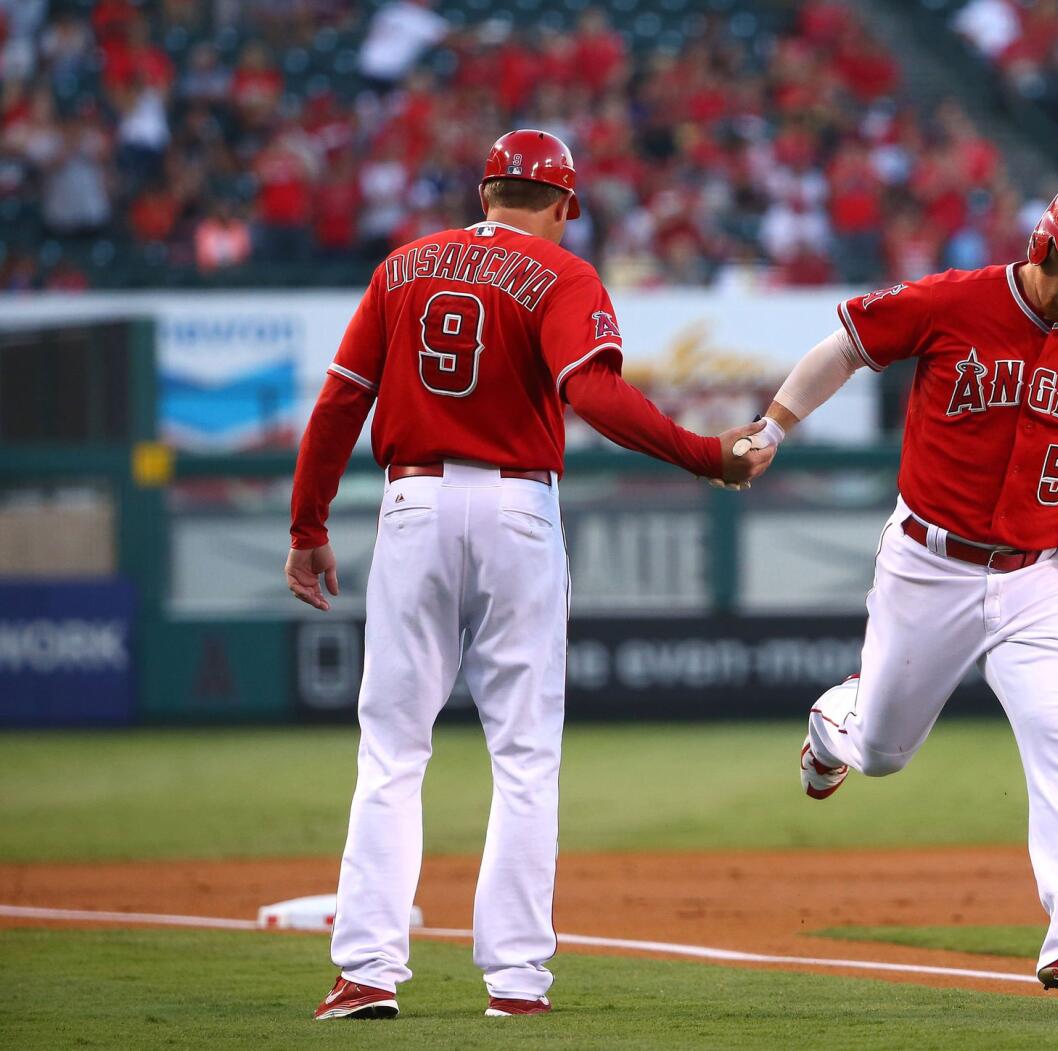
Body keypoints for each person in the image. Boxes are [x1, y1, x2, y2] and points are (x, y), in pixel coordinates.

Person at [286, 129, 774, 1021]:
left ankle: (365, 973)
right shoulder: (564, 274)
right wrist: (704, 454)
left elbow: (339, 401)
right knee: (523, 754)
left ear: (485, 192)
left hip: (414, 503)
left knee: (393, 751)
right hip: (516, 507)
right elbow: (592, 395)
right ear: (563, 205)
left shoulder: (402, 265)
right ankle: (514, 982)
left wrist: (307, 523)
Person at [737, 177, 1058, 991]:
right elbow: (845, 346)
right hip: (930, 565)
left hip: (1038, 578)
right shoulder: (952, 301)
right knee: (884, 751)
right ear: (1041, 243)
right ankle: (833, 721)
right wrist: (774, 425)